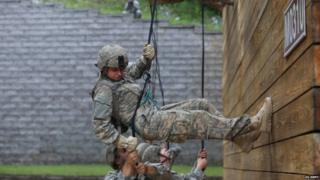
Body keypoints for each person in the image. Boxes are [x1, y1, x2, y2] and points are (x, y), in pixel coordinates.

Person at [91, 44, 272, 153]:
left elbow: (134, 71)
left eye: (121, 69)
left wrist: (145, 59)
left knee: (202, 105)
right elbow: (100, 126)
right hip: (149, 124)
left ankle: (241, 139)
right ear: (103, 69)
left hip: (154, 113)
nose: (120, 73)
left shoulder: (120, 75)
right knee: (199, 119)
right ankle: (251, 124)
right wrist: (120, 141)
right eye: (115, 70)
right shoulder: (104, 90)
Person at [104, 144, 208, 180]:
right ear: (117, 160)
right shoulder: (111, 177)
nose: (131, 150)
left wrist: (199, 167)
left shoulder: (152, 169)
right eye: (124, 150)